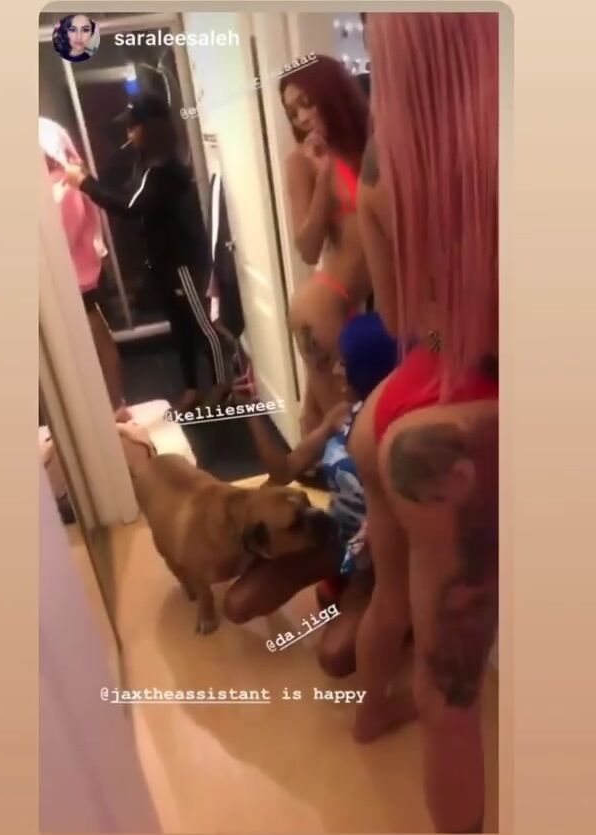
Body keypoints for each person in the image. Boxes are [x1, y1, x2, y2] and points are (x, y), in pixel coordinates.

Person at [349, 14, 499, 834]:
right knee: (454, 692)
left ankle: (371, 709)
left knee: (394, 596)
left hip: (402, 401)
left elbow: (400, 317)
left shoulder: (383, 158)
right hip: (474, 412)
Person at [223, 313, 398, 678]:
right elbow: (285, 470)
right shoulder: (341, 415)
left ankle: (393, 615)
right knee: (238, 605)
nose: (335, 370)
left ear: (368, 371)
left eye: (344, 363)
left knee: (335, 658)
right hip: (334, 535)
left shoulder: (400, 432)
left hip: (380, 558)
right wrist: (252, 409)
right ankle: (345, 593)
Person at [64, 93, 229, 412]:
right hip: (164, 262)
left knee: (201, 324)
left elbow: (129, 206)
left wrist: (85, 183)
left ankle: (223, 383)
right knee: (179, 326)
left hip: (182, 263)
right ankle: (192, 388)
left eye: (133, 127)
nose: (128, 133)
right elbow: (126, 194)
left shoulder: (165, 171)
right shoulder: (145, 166)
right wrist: (90, 179)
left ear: (150, 128)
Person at [279, 55, 371, 439]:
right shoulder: (301, 163)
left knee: (317, 423)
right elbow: (307, 249)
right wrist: (323, 178)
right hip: (323, 305)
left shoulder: (368, 147)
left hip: (361, 306)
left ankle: (296, 473)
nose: (301, 117)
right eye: (292, 111)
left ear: (330, 93)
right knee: (348, 428)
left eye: (306, 103)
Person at [39, 116, 130, 421]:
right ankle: (112, 408)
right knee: (89, 337)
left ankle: (114, 409)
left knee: (90, 338)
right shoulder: (61, 184)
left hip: (72, 278)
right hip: (74, 276)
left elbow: (62, 240)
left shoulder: (63, 187)